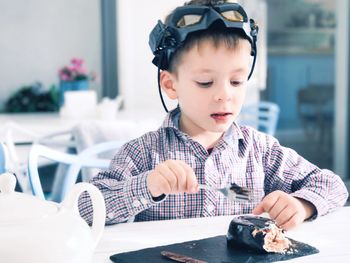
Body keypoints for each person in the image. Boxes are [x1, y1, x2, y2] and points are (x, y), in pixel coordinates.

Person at [78, 0, 348, 230]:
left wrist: (301, 205)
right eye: (206, 83)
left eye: (237, 81)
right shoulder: (144, 153)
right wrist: (148, 185)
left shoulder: (261, 152)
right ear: (171, 85)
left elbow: (333, 186)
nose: (224, 95)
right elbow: (84, 209)